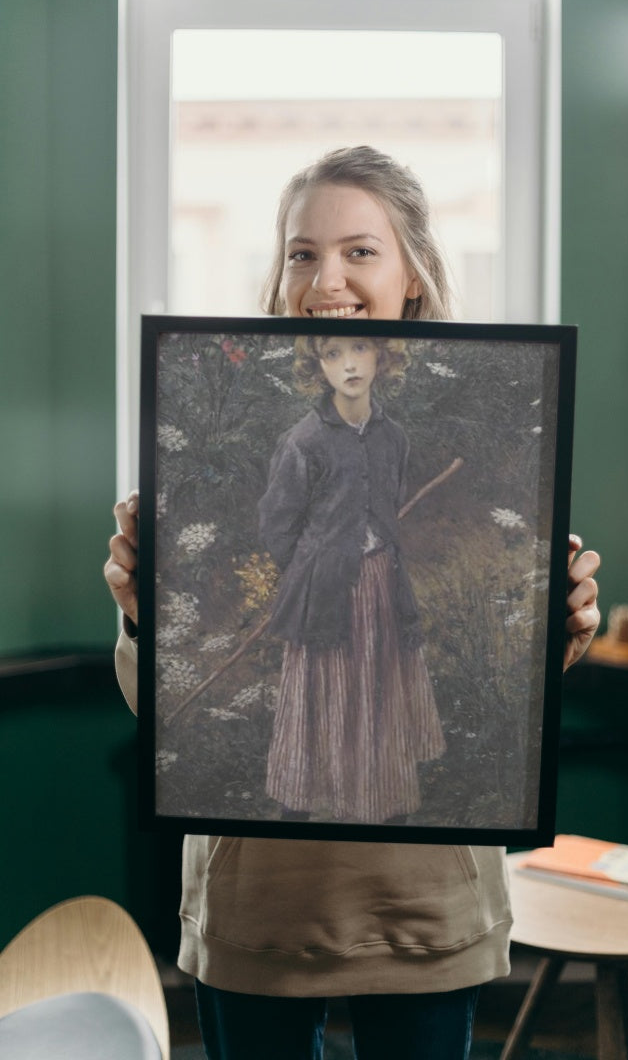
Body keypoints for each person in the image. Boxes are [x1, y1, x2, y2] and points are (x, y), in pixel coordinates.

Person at [105, 146, 601, 1060]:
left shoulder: (427, 424)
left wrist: (552, 632)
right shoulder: (283, 432)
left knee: (383, 695)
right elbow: (161, 702)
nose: (324, 278)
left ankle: (381, 781)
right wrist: (145, 614)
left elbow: (509, 692)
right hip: (260, 908)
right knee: (326, 689)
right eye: (301, 253)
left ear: (412, 274)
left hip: (423, 905)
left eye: (359, 251)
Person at [258, 333, 444, 824]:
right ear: (319, 367)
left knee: (379, 692)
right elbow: (278, 524)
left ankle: (385, 809)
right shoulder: (304, 441)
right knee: (322, 696)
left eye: (359, 349)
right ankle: (297, 814)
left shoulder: (393, 437)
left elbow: (389, 499)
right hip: (326, 594)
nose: (349, 365)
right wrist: (314, 569)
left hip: (383, 583)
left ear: (382, 357)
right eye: (332, 354)